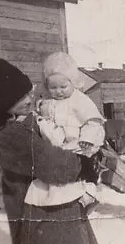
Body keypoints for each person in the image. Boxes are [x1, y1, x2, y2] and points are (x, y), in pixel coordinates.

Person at [0, 58, 107, 244]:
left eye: (30, 93)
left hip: (48, 202)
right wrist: (83, 165)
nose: (31, 100)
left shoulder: (19, 120)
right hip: (40, 209)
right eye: (22, 97)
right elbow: (49, 163)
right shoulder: (10, 134)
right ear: (6, 102)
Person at [25, 52, 105, 208]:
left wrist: (87, 139)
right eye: (53, 87)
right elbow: (41, 118)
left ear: (73, 82)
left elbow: (93, 121)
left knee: (84, 169)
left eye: (63, 86)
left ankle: (89, 192)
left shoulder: (80, 100)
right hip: (57, 146)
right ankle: (52, 200)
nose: (58, 91)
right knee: (52, 173)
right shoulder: (47, 101)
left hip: (78, 145)